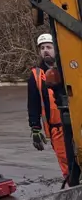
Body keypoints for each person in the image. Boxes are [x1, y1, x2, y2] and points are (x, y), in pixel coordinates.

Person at [29, 32, 69, 179]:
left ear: (56, 49)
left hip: (76, 122)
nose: (45, 50)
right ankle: (73, 186)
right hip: (56, 128)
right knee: (65, 159)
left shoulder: (68, 67)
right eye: (42, 48)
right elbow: (33, 103)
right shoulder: (36, 75)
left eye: (49, 47)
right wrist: (35, 127)